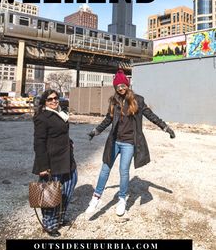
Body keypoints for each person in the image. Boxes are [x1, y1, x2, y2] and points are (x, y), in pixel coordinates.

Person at [86, 69, 175, 217]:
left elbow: (150, 115)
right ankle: (96, 197)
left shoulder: (138, 100)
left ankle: (122, 199)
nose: (121, 88)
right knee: (105, 169)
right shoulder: (113, 101)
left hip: (129, 143)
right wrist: (96, 131)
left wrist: (165, 127)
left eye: (123, 85)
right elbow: (108, 119)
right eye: (118, 86)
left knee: (124, 171)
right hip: (114, 141)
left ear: (127, 85)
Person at [32, 89, 77, 237]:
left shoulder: (61, 114)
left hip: (66, 158)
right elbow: (39, 142)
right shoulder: (42, 117)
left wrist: (69, 142)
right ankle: (49, 225)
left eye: (55, 98)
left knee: (69, 186)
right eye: (50, 99)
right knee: (51, 192)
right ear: (44, 102)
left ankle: (60, 218)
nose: (53, 101)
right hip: (52, 161)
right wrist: (43, 166)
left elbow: (62, 133)